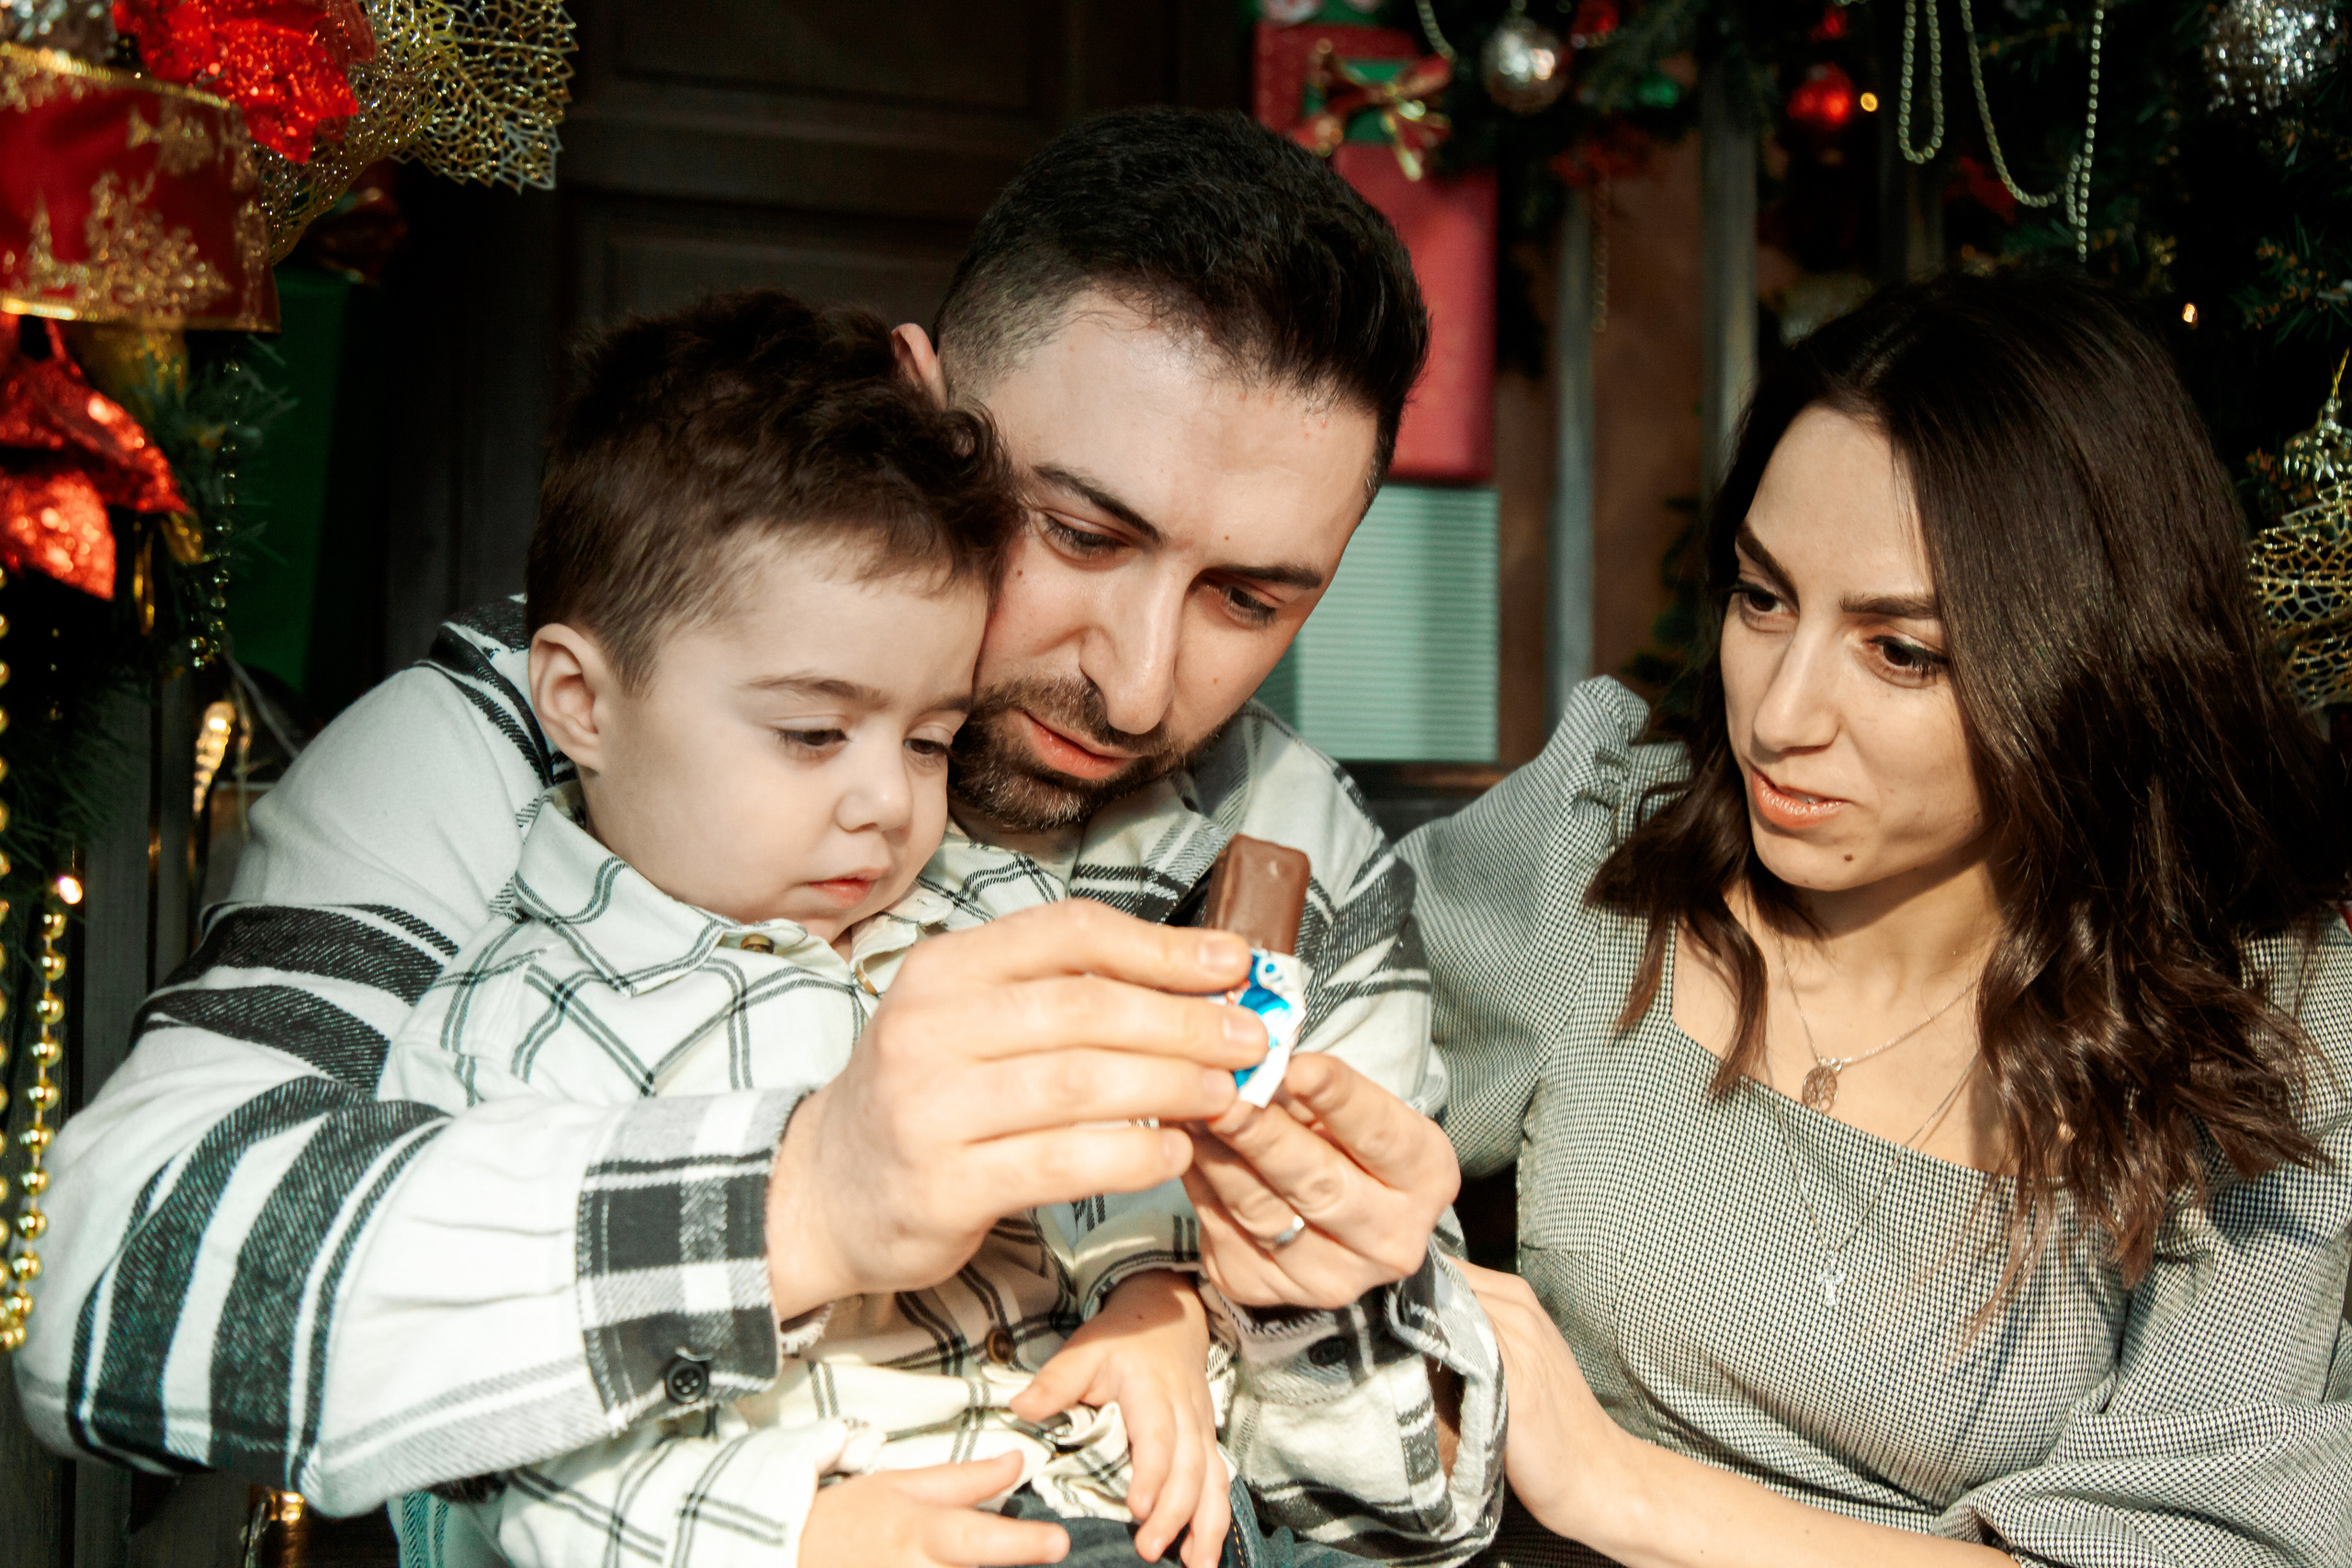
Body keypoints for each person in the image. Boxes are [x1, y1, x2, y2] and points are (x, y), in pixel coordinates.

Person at [17, 108, 1502, 1566]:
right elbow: (113, 1294)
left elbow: (1407, 1520)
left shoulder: (1286, 834)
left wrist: (1299, 1308)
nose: (1135, 679)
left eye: (1249, 599)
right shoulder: (518, 749)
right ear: (926, 405)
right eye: (1080, 533)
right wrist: (805, 1196)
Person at [1408, 270, 2352, 1567]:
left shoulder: (2263, 1029)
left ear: (2083, 665)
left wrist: (1615, 1488)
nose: (1781, 714)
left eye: (1901, 652)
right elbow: (1254, 1066)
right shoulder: (1600, 852)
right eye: (1761, 597)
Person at [377, 288, 1257, 1568]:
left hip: (1088, 1511)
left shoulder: (992, 912)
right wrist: (782, 1532)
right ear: (579, 699)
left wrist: (1155, 1300)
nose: (887, 801)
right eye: (810, 732)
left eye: (931, 739)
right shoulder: (505, 1030)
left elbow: (1139, 1173)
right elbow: (480, 1419)